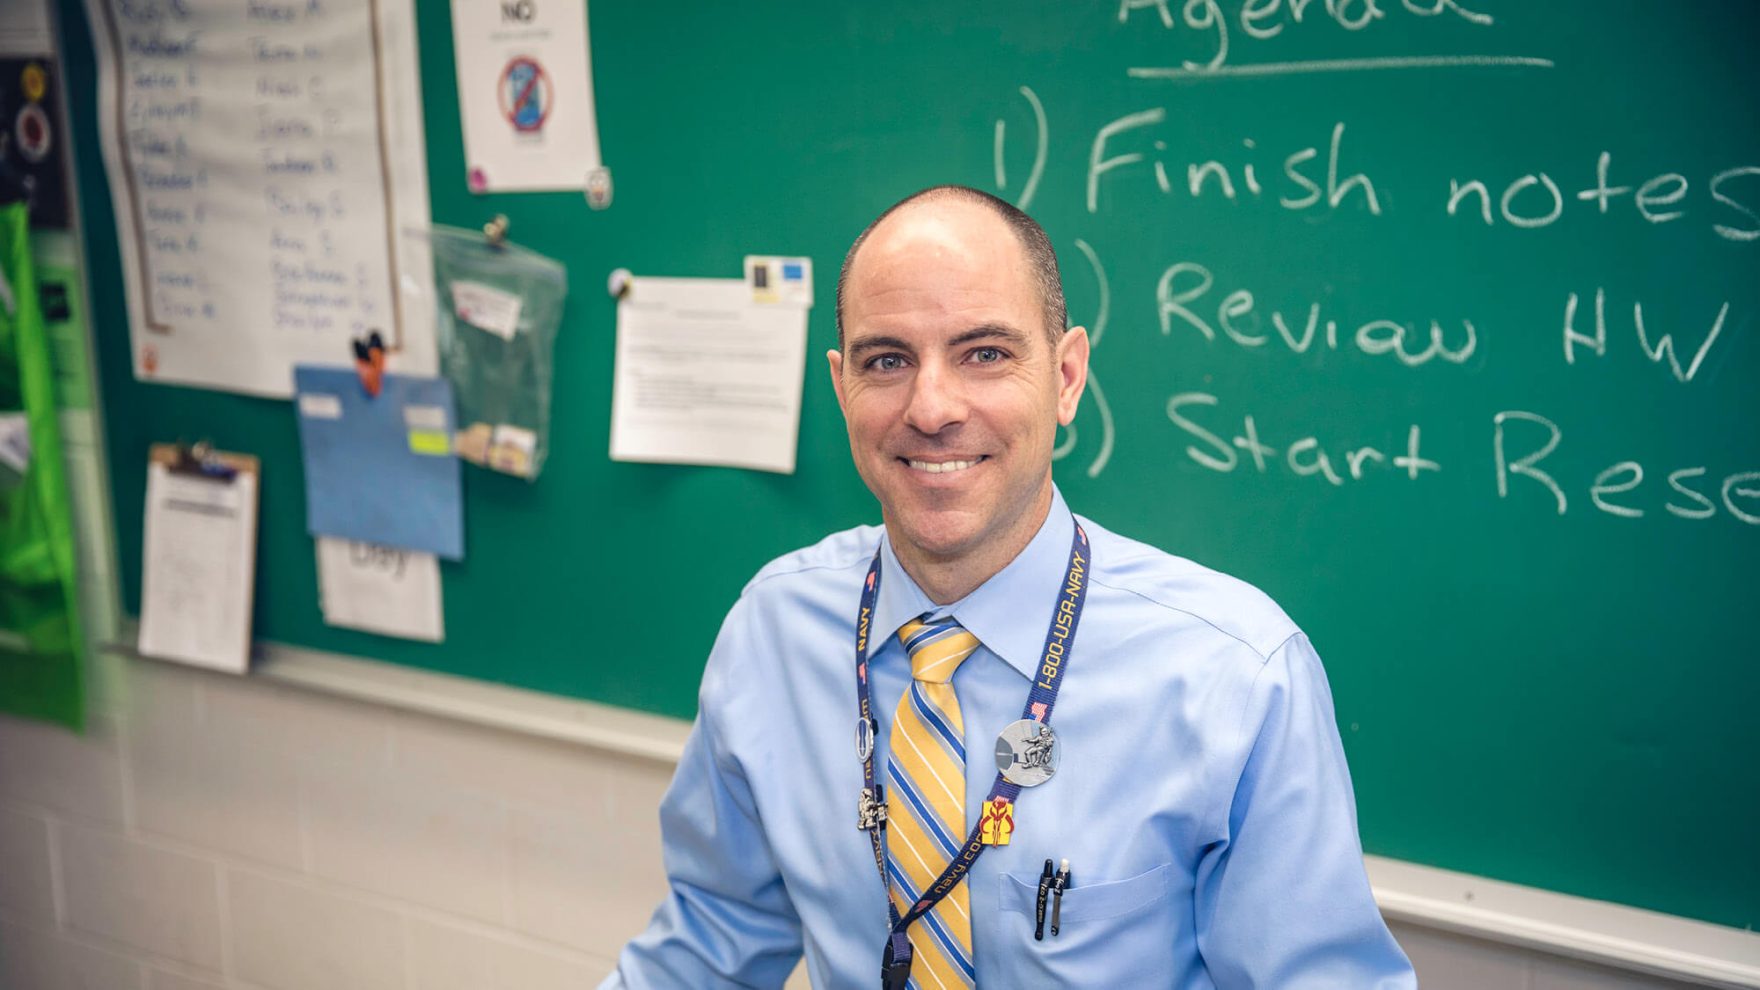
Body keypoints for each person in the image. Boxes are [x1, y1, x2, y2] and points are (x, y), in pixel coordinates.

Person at [601, 186, 1415, 988]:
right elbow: (706, 948)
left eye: (983, 353)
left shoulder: (1236, 677)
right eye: (888, 361)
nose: (931, 407)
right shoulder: (774, 632)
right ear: (842, 386)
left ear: (1066, 379)